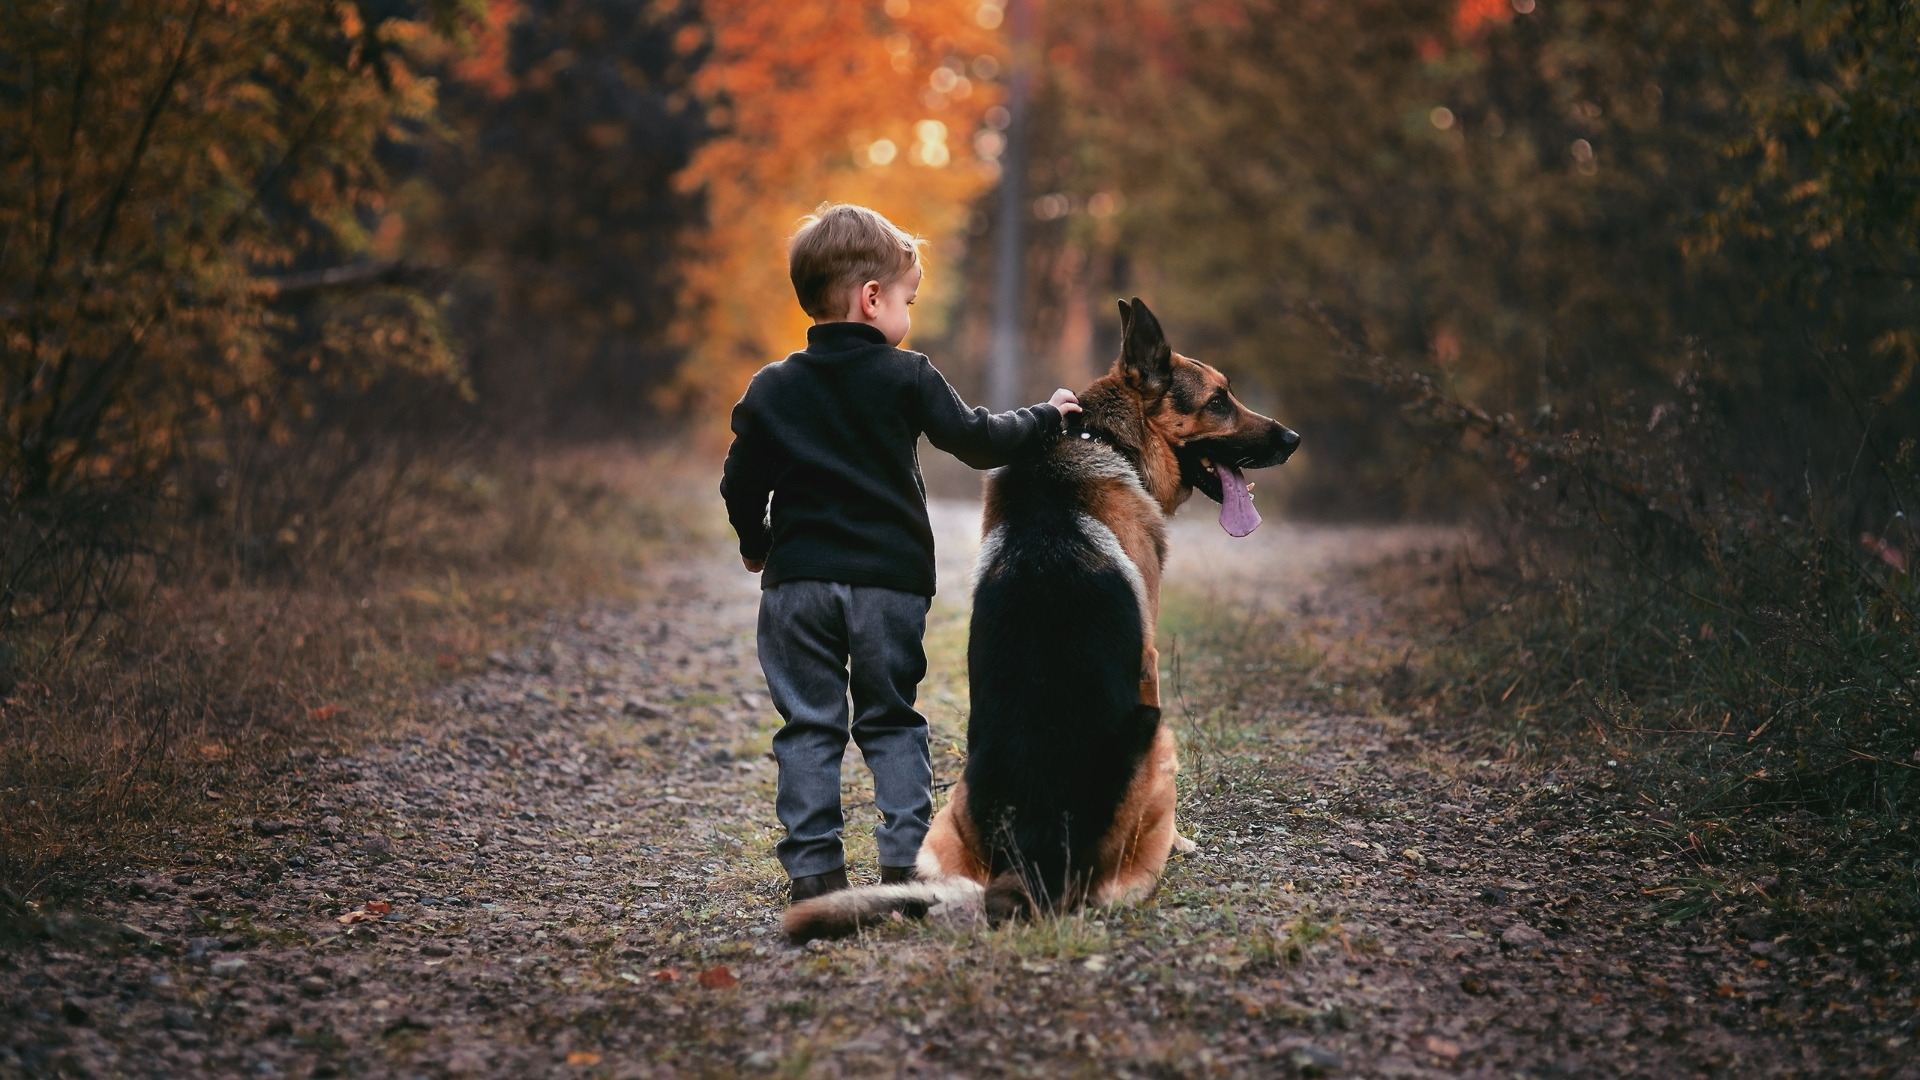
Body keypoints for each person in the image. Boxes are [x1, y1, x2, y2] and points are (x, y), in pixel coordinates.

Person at [721, 203, 1080, 903]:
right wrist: (1047, 416)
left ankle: (816, 873)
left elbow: (740, 484)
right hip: (889, 586)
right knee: (890, 718)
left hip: (796, 590)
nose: (908, 316)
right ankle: (904, 867)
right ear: (871, 298)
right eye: (908, 300)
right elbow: (977, 439)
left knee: (809, 725)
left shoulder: (772, 388)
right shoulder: (906, 375)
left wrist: (758, 545)